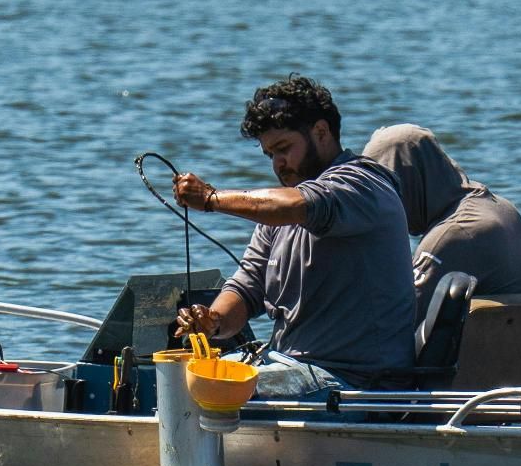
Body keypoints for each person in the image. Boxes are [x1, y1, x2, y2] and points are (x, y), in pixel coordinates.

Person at [171, 76, 416, 396]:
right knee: (178, 381)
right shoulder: (281, 209)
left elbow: (302, 205)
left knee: (216, 391)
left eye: (284, 149)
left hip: (357, 382)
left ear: (321, 132)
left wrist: (210, 199)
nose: (278, 164)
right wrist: (213, 321)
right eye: (270, 154)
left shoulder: (362, 185)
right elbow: (249, 286)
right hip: (290, 366)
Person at [360, 123, 521, 308]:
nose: (381, 205)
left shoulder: (452, 234)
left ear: (406, 179)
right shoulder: (504, 209)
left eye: (382, 189)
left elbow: (398, 316)